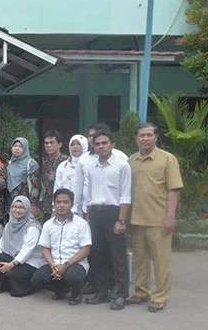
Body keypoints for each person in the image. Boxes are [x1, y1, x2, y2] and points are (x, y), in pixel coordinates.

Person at [129, 123, 183, 312]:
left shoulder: (167, 159)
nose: (145, 138)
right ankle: (141, 291)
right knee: (140, 259)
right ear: (136, 139)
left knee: (161, 260)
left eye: (149, 135)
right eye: (141, 135)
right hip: (136, 219)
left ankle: (160, 296)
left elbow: (173, 189)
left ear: (156, 137)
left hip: (159, 219)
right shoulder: (132, 160)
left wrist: (170, 216)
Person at [83, 130, 131, 310]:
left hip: (114, 214)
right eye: (97, 144)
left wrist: (122, 221)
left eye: (105, 143)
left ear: (112, 144)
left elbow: (125, 195)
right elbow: (90, 195)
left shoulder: (122, 166)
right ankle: (102, 292)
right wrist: (88, 219)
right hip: (95, 214)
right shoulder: (91, 167)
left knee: (117, 256)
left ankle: (121, 294)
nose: (101, 147)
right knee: (98, 255)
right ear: (93, 147)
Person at [31, 188, 92, 305]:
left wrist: (65, 265)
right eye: (58, 202)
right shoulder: (48, 225)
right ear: (54, 204)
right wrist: (53, 266)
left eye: (65, 202)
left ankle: (76, 294)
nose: (62, 205)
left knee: (73, 276)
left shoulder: (81, 224)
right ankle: (61, 290)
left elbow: (86, 250)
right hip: (54, 263)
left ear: (72, 204)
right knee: (37, 279)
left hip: (75, 264)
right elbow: (45, 248)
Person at [0, 196, 44, 297]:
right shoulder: (10, 224)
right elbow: (2, 242)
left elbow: (27, 250)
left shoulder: (32, 227)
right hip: (13, 256)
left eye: (21, 208)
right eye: (15, 207)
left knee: (13, 277)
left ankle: (33, 286)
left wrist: (11, 265)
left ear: (27, 209)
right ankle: (2, 286)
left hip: (30, 261)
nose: (17, 210)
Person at [54, 134, 88, 217]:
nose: (75, 147)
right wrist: (54, 209)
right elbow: (57, 187)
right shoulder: (63, 166)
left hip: (85, 210)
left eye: (78, 144)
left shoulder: (90, 165)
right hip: (64, 208)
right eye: (72, 144)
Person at [7, 137, 41, 217]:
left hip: (25, 204)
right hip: (10, 203)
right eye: (15, 146)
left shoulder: (31, 163)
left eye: (20, 146)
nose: (17, 148)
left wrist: (33, 204)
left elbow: (36, 186)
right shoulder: (10, 164)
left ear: (25, 149)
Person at [40, 130, 68, 221]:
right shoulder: (43, 162)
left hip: (62, 205)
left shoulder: (66, 162)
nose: (48, 145)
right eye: (46, 143)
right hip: (46, 206)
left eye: (52, 143)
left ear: (59, 144)